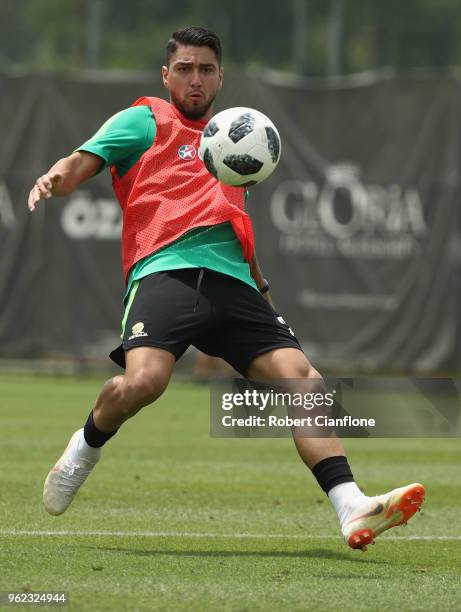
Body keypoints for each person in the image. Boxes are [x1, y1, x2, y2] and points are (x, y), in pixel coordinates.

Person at [28, 26, 424, 551]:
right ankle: (85, 446)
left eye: (206, 70)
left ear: (221, 77)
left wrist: (260, 285)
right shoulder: (143, 119)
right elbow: (80, 163)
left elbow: (231, 219)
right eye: (185, 69)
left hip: (235, 283)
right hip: (164, 270)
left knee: (306, 382)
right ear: (166, 75)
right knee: (145, 382)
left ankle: (350, 504)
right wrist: (57, 177)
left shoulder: (235, 133)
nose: (195, 79)